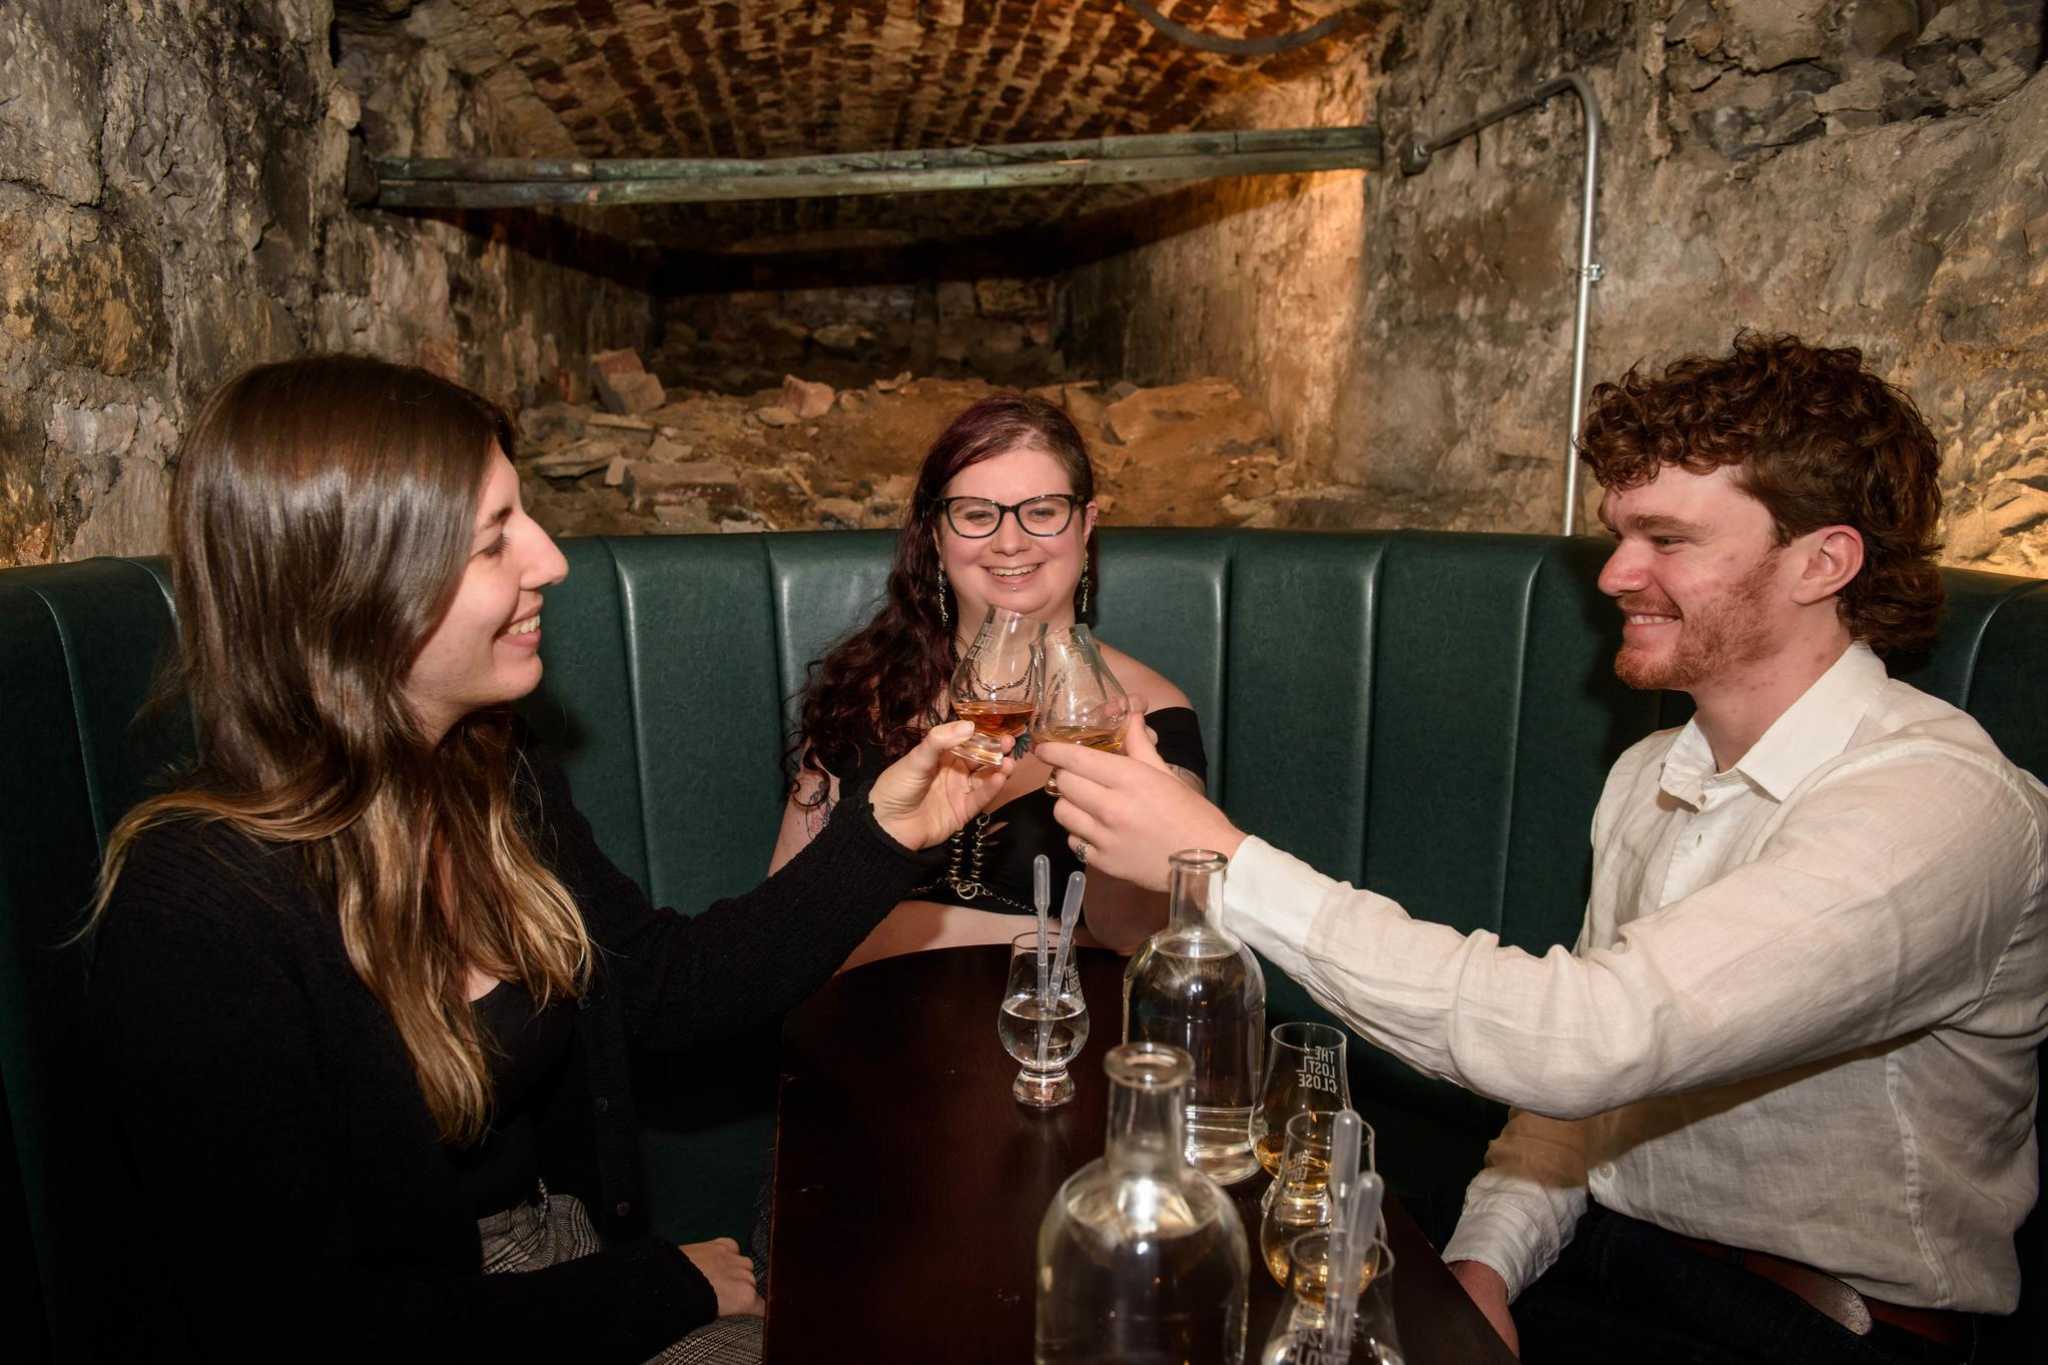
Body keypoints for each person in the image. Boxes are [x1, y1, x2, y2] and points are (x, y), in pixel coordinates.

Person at [1040, 334, 2048, 1364]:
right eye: (1618, 535)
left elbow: (1582, 1042)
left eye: (1667, 539)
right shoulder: (1652, 770)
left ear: (1821, 561)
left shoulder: (1934, 807)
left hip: (1812, 1325)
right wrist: (1486, 1263)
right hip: (1604, 1264)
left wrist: (1222, 860)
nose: (1615, 574)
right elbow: (1582, 1109)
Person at [84, 356, 1013, 1364]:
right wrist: (656, 1286)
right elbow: (305, 1332)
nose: (550, 560)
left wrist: (885, 833)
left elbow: (666, 987)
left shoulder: (491, 776)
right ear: (354, 586)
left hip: (557, 1268)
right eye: (493, 539)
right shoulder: (195, 911)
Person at [771, 393, 1207, 968]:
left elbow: (1138, 942)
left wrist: (1117, 787)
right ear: (937, 535)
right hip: (854, 1018)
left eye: (1042, 511)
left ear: (1086, 525)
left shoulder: (1150, 714)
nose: (1010, 541)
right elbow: (777, 922)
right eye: (977, 515)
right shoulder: (863, 690)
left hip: (1053, 1023)